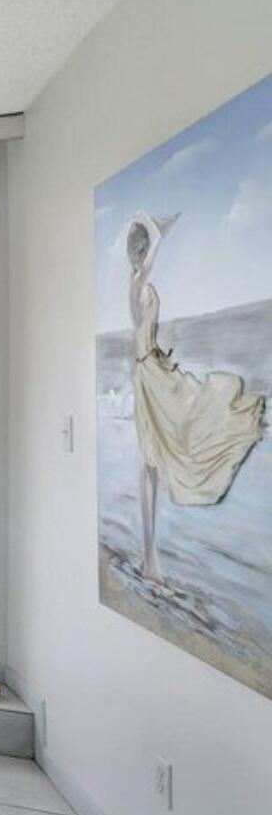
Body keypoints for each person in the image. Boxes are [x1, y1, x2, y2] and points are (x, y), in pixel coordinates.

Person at [126, 212, 265, 581]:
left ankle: (148, 558)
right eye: (144, 250)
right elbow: (155, 244)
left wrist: (158, 353)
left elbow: (143, 334)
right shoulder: (139, 279)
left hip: (148, 366)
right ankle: (149, 558)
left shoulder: (135, 282)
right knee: (156, 453)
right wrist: (151, 225)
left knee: (151, 460)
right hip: (147, 372)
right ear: (139, 253)